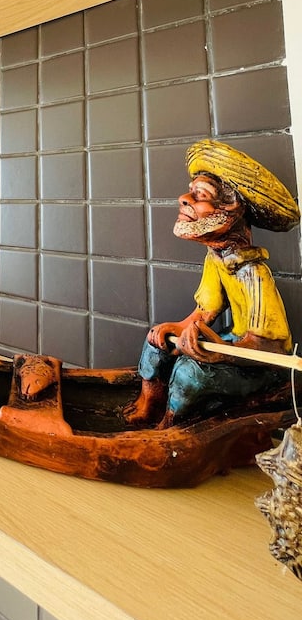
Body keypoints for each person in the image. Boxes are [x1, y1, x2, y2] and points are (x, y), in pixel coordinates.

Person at [125, 139, 300, 427]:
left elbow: (270, 350)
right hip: (233, 346)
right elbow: (205, 311)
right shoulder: (216, 259)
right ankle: (148, 404)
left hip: (261, 365)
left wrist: (219, 352)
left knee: (190, 371)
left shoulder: (254, 272)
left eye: (200, 194)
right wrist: (178, 328)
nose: (184, 198)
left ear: (231, 211)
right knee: (156, 341)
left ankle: (170, 425)